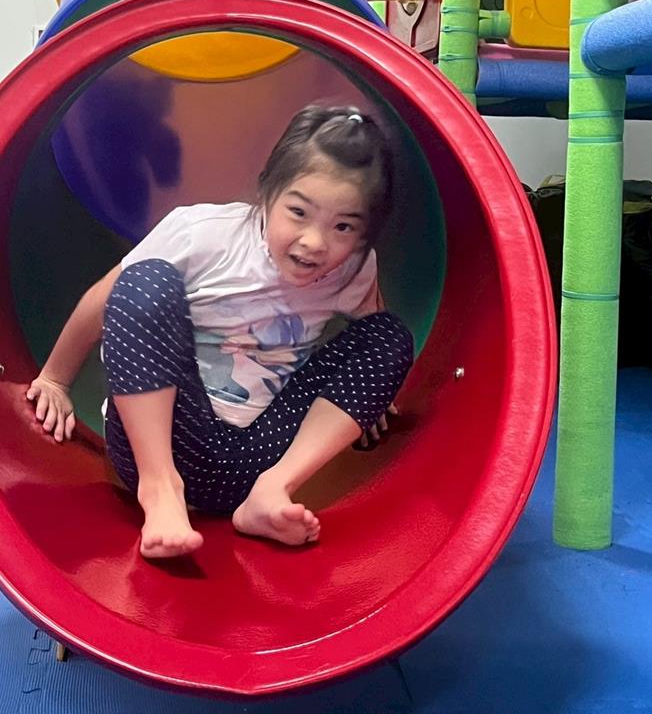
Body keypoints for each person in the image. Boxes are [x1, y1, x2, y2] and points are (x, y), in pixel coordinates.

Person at [25, 105, 414, 560]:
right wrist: (55, 379)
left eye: (344, 226)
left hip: (262, 454)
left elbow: (369, 341)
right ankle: (161, 491)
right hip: (165, 439)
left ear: (366, 235)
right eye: (298, 212)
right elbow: (106, 301)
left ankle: (271, 493)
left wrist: (367, 402)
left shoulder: (354, 268)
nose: (314, 241)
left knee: (389, 337)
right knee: (144, 282)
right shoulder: (203, 235)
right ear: (266, 191)